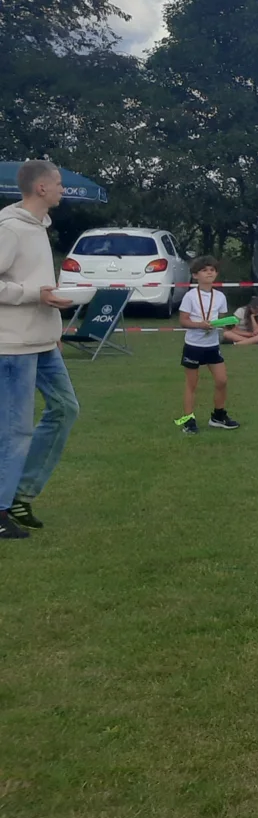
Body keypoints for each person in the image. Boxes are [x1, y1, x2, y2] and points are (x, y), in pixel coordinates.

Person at [1, 160, 81, 539]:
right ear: (41, 189)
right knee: (15, 430)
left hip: (43, 341)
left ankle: (20, 493)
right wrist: (35, 295)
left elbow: (37, 286)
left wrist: (53, 327)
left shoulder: (38, 228)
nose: (63, 189)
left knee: (66, 409)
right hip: (12, 345)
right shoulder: (10, 229)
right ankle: (1, 511)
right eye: (59, 183)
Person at [176, 256, 240, 434]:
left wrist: (230, 323)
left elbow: (222, 320)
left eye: (212, 269)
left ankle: (218, 417)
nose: (209, 272)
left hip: (212, 345)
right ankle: (188, 421)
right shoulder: (190, 296)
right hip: (193, 345)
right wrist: (200, 325)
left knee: (222, 381)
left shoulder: (219, 296)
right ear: (195, 275)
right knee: (192, 384)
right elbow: (183, 321)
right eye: (205, 270)